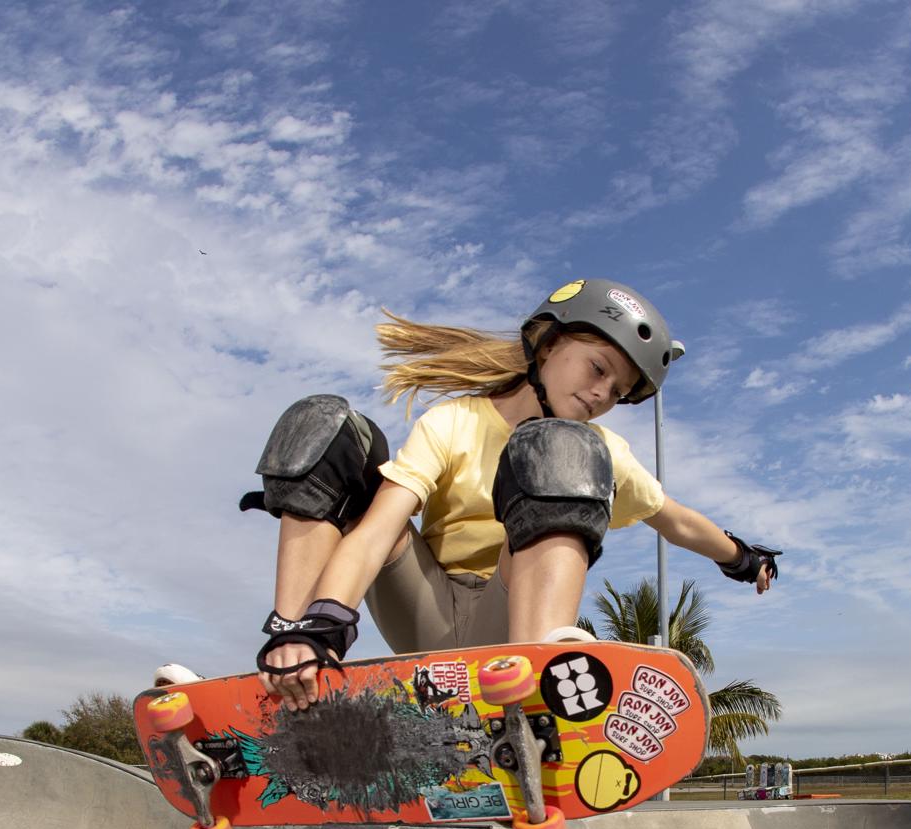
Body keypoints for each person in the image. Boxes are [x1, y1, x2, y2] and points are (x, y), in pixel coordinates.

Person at [161, 278, 780, 708]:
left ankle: (534, 679)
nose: (602, 395)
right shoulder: (454, 422)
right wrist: (321, 625)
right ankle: (294, 653)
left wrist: (743, 557)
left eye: (618, 392)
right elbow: (378, 530)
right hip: (424, 607)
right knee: (327, 430)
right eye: (597, 369)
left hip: (506, 623)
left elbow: (677, 521)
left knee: (561, 450)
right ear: (548, 344)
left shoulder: (601, 452)